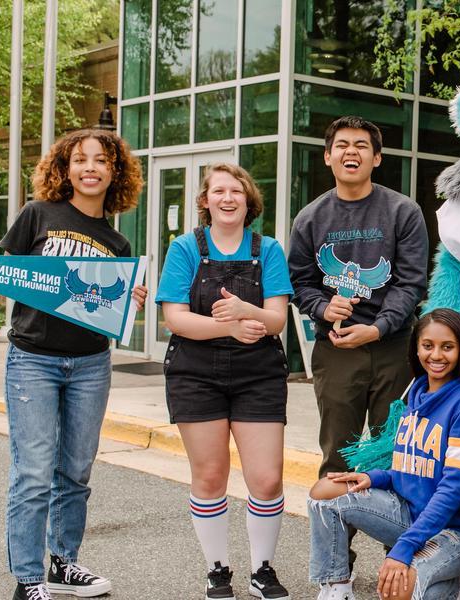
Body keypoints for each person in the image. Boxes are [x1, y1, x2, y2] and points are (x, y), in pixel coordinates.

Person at [0, 129, 145, 600]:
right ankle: (29, 579)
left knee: (75, 471)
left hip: (92, 362)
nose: (91, 167)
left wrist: (133, 299)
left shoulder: (116, 242)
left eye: (101, 160)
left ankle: (63, 564)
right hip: (33, 359)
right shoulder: (39, 215)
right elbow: (4, 269)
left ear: (115, 172)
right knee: (34, 472)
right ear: (65, 168)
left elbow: (108, 306)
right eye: (81, 159)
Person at [157, 163, 294, 600]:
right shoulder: (184, 249)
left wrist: (246, 313)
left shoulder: (267, 249)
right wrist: (230, 327)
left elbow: (276, 319)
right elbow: (175, 319)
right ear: (205, 201)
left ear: (248, 200)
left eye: (236, 190)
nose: (228, 198)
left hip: (259, 374)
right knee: (211, 475)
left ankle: (262, 569)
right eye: (218, 191)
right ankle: (217, 569)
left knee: (268, 478)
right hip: (195, 373)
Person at [307, 308, 460, 600]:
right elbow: (413, 466)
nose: (436, 355)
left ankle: (457, 578)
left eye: (448, 347)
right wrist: (375, 476)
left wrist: (404, 547)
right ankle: (337, 587)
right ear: (416, 348)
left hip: (454, 531)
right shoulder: (416, 391)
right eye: (428, 346)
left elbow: (453, 487)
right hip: (411, 515)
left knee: (397, 588)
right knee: (324, 495)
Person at [288, 116, 429, 481]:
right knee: (338, 453)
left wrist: (378, 328)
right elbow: (300, 282)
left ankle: (394, 539)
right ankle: (337, 538)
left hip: (393, 349)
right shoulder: (309, 218)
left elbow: (411, 283)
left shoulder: (403, 212)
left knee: (394, 451)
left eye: (362, 146)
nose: (351, 152)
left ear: (377, 158)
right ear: (328, 157)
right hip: (335, 350)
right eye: (343, 145)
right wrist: (322, 306)